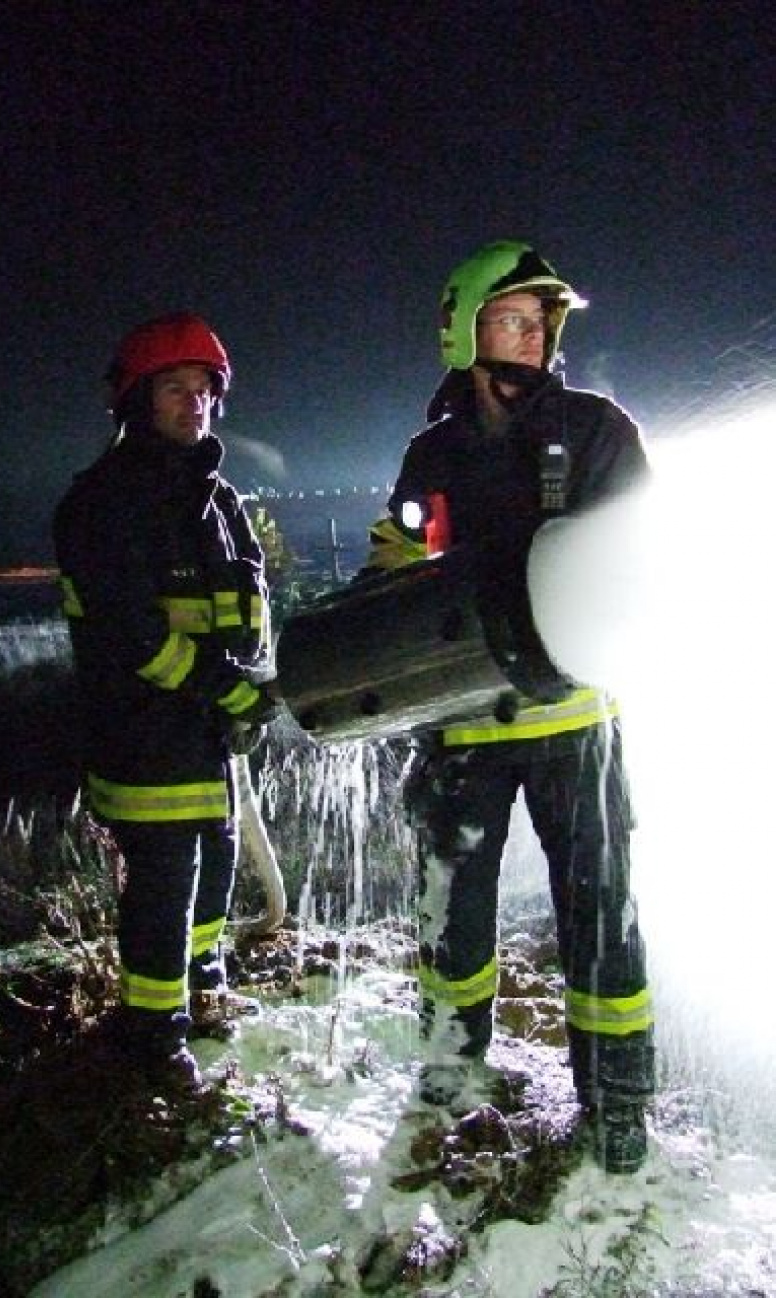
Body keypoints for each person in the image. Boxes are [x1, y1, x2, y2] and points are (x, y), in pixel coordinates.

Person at [364, 241, 654, 1173]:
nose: (531, 337)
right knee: (453, 915)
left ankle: (617, 1107)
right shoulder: (431, 455)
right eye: (511, 319)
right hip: (462, 726)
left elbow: (641, 557)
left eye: (540, 322)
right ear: (465, 330)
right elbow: (397, 566)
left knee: (601, 919)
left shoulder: (598, 431)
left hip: (575, 728)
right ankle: (452, 1078)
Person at [53, 313, 280, 1094]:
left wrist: (256, 681)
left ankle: (203, 989)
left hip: (207, 732)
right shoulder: (103, 501)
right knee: (164, 883)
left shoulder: (218, 501)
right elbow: (132, 635)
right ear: (136, 401)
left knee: (215, 865)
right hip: (143, 736)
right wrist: (229, 687)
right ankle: (152, 1042)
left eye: (205, 389)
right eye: (175, 388)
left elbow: (248, 603)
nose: (195, 402)